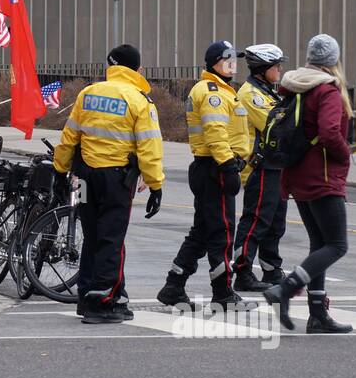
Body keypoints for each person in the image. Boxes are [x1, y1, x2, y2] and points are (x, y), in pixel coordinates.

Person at [55, 44, 164, 323]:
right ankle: (101, 301)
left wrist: (59, 170)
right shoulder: (138, 99)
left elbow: (70, 137)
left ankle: (96, 296)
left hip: (86, 178)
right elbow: (149, 146)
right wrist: (155, 184)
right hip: (116, 179)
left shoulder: (88, 93)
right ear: (137, 69)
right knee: (111, 239)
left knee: (92, 236)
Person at [262, 34, 355, 333]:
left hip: (297, 174)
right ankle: (285, 289)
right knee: (337, 245)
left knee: (320, 244)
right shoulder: (327, 90)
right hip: (323, 176)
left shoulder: (294, 87)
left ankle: (317, 315)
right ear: (334, 61)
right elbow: (329, 133)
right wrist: (345, 155)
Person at [157, 40, 254, 312]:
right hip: (215, 168)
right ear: (215, 63)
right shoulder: (213, 92)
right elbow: (214, 132)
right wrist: (228, 166)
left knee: (202, 232)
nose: (234, 64)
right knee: (222, 233)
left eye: (235, 59)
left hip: (210, 167)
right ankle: (222, 293)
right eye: (228, 59)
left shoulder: (222, 90)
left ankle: (173, 285)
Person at [230, 44, 287, 292]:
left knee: (276, 223)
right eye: (276, 66)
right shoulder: (250, 95)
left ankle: (271, 269)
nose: (280, 70)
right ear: (263, 69)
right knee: (256, 221)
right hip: (261, 167)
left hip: (277, 166)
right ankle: (242, 272)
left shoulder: (268, 93)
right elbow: (275, 125)